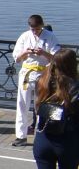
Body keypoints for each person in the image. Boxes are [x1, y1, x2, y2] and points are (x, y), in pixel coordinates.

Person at [31, 49, 79, 169]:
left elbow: (36, 110)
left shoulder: (42, 81)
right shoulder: (75, 86)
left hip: (44, 139)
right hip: (68, 141)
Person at [12, 14, 60, 147]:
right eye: (33, 29)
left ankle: (40, 135)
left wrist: (43, 53)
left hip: (43, 74)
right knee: (22, 104)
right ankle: (20, 136)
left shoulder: (50, 36)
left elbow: (56, 58)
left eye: (37, 29)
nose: (35, 32)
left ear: (42, 26)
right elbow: (16, 58)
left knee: (41, 106)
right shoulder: (24, 36)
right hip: (26, 74)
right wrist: (26, 52)